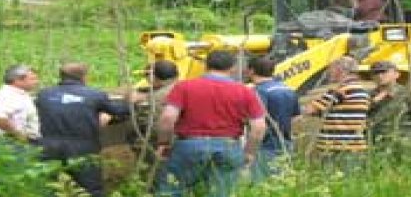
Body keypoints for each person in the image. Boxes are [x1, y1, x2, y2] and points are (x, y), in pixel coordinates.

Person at [156, 51, 266, 197]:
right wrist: (249, 152)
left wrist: (164, 143)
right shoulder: (244, 91)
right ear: (233, 68)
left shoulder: (184, 87)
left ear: (205, 66)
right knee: (221, 192)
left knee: (172, 190)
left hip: (189, 145)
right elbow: (259, 127)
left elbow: (168, 118)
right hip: (228, 146)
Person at [36, 62, 130, 197]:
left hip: (49, 145)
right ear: (84, 77)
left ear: (61, 76)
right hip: (83, 146)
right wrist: (129, 102)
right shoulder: (95, 95)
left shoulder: (44, 94)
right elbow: (119, 111)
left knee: (51, 186)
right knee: (90, 186)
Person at [304, 56, 371, 169]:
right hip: (354, 145)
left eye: (331, 69)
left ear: (340, 70)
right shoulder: (362, 90)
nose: (328, 73)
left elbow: (310, 110)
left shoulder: (341, 91)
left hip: (336, 146)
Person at [246, 55, 301, 181]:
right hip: (286, 144)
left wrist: (249, 152)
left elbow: (258, 124)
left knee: (262, 184)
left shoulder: (258, 92)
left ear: (251, 71)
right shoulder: (288, 89)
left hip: (265, 146)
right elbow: (296, 118)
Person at [127, 60, 179, 178]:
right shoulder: (181, 87)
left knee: (151, 173)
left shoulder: (154, 98)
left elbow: (146, 122)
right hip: (180, 140)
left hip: (156, 142)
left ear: (153, 77)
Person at [368, 61, 411, 151]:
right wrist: (374, 102)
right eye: (376, 73)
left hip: (404, 144)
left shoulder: (409, 95)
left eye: (384, 72)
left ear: (396, 74)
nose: (380, 76)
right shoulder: (368, 97)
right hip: (376, 145)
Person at [0, 64, 41, 143]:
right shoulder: (5, 95)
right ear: (17, 80)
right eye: (32, 79)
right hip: (9, 142)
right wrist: (19, 135)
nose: (36, 82)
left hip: (20, 142)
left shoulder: (21, 95)